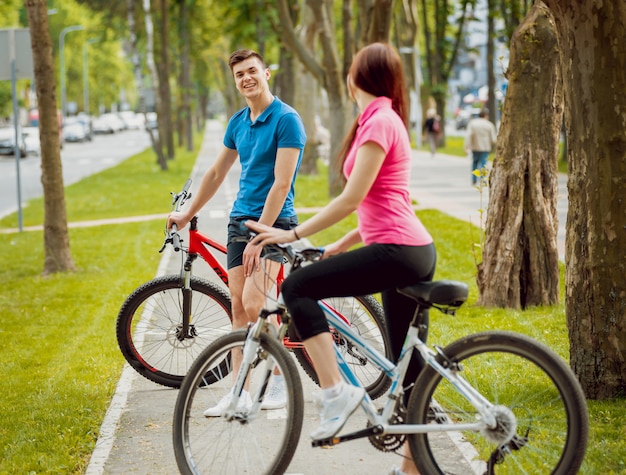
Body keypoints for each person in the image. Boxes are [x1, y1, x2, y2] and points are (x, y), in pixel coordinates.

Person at [246, 42, 435, 475]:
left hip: (397, 252)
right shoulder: (383, 119)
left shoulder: (378, 123)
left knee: (297, 287)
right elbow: (389, 201)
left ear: (356, 77)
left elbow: (353, 198)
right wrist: (341, 245)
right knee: (407, 364)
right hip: (408, 248)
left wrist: (292, 232)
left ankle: (336, 393)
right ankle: (413, 466)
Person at [167, 48, 306, 414]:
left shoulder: (287, 120)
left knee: (258, 302)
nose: (246, 78)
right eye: (239, 74)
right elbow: (215, 174)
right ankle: (239, 392)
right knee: (239, 309)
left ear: (266, 73)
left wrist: (262, 232)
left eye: (251, 71)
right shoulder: (238, 122)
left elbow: (281, 183)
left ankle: (279, 380)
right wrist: (186, 213)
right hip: (239, 221)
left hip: (274, 222)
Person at [464, 108, 497, 185]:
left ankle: (474, 179)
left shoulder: (472, 123)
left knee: (475, 162)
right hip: (485, 147)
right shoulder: (489, 124)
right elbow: (493, 139)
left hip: (475, 146)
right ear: (486, 115)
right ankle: (482, 179)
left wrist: (466, 146)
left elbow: (468, 136)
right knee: (483, 163)